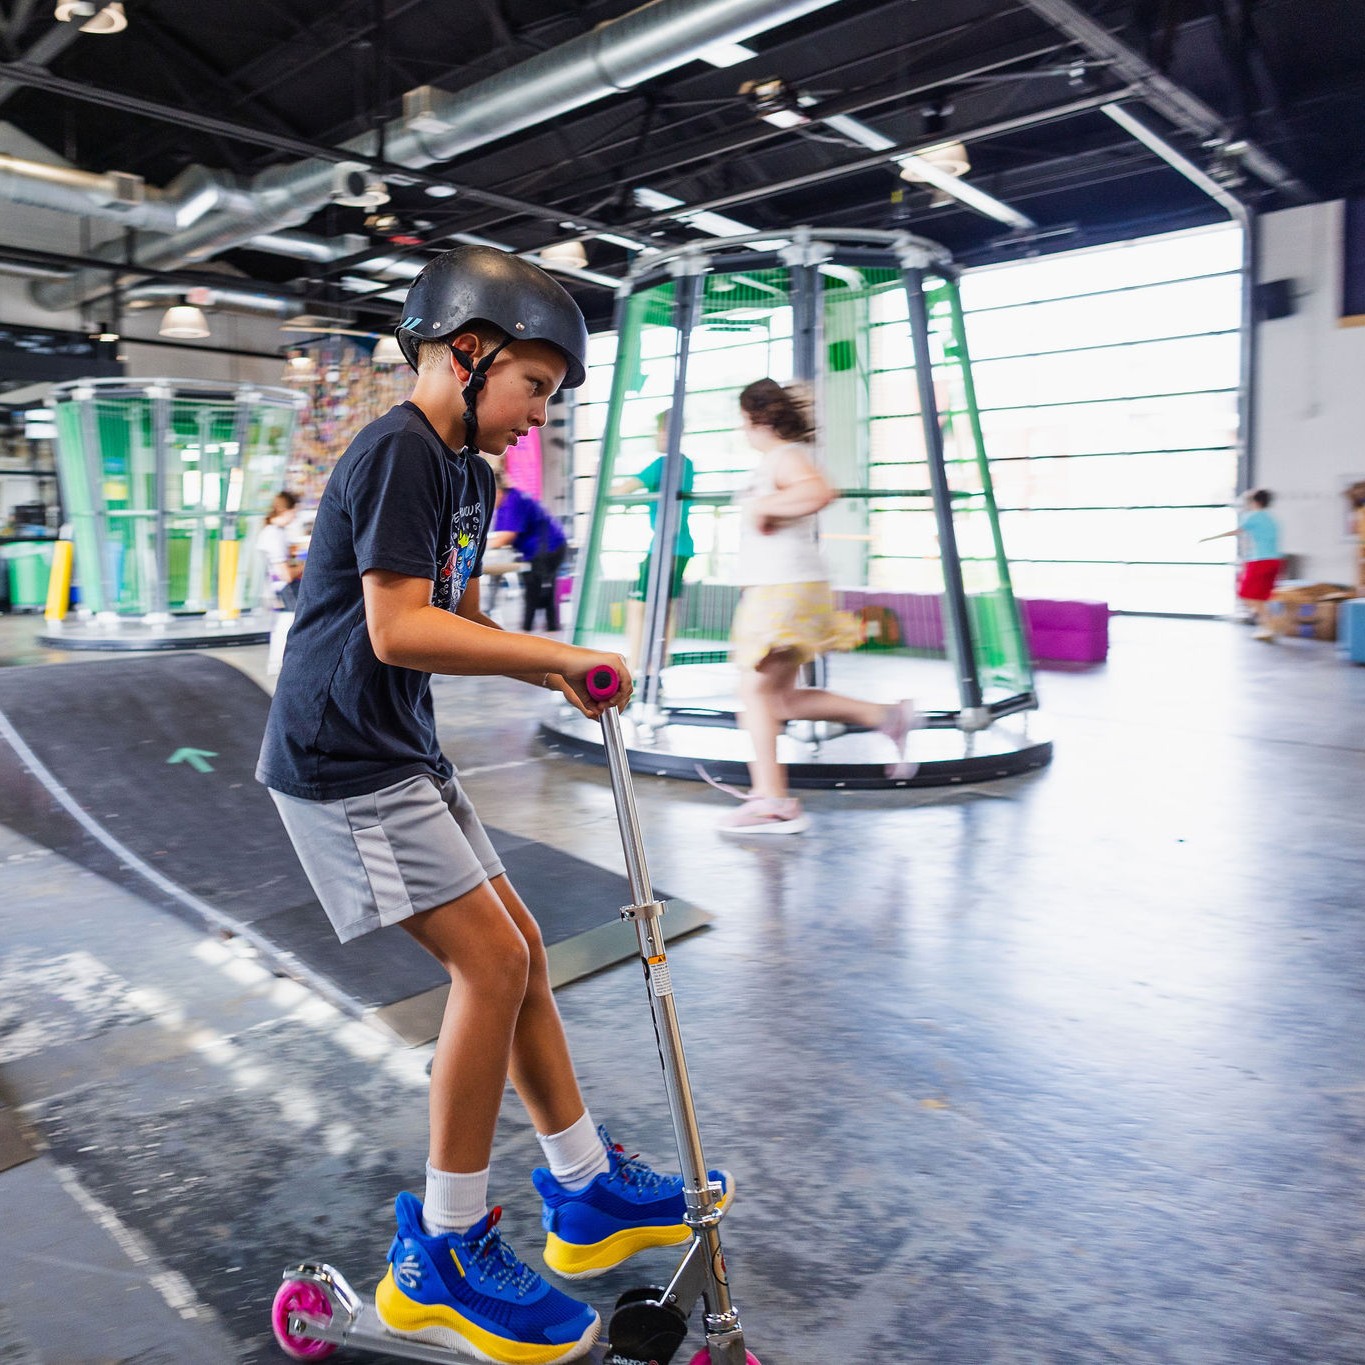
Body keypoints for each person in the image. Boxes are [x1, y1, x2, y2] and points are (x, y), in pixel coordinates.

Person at [256, 245, 729, 1365]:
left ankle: (583, 1189)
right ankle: (446, 1249)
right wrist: (551, 651)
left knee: (518, 946)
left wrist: (545, 665)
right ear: (468, 355)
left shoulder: (468, 470)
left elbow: (459, 617)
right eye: (535, 390)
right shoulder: (400, 452)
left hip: (398, 747)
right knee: (490, 966)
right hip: (340, 759)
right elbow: (395, 630)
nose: (540, 418)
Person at [712, 378, 920, 836]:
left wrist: (766, 505)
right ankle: (886, 716)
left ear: (757, 419)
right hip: (786, 586)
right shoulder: (780, 459)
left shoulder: (783, 457)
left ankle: (772, 801)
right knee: (777, 698)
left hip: (783, 587)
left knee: (754, 693)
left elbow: (820, 492)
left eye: (744, 422)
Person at [612, 408, 695, 672]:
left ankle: (636, 668)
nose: (658, 437)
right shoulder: (686, 463)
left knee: (638, 606)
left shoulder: (662, 464)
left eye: (661, 431)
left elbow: (624, 490)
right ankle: (657, 665)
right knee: (666, 606)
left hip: (662, 548)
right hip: (682, 548)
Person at [488, 468, 568, 631]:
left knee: (536, 592)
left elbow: (506, 537)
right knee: (540, 591)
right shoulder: (507, 502)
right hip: (543, 547)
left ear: (497, 491)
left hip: (549, 548)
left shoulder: (513, 501)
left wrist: (476, 548)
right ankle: (545, 629)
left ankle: (530, 631)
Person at [1201, 488, 1282, 636]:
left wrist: (1208, 538)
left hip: (1260, 561)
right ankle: (1268, 626)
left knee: (1247, 595)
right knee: (1260, 597)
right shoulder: (1271, 518)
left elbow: (1236, 531)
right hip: (1274, 561)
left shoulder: (1253, 516)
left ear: (1255, 502)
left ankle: (1269, 624)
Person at [256, 489, 303, 611]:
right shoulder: (274, 535)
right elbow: (285, 575)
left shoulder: (269, 531)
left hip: (278, 592)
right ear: (285, 511)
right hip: (286, 592)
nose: (295, 516)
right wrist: (305, 566)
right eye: (294, 512)